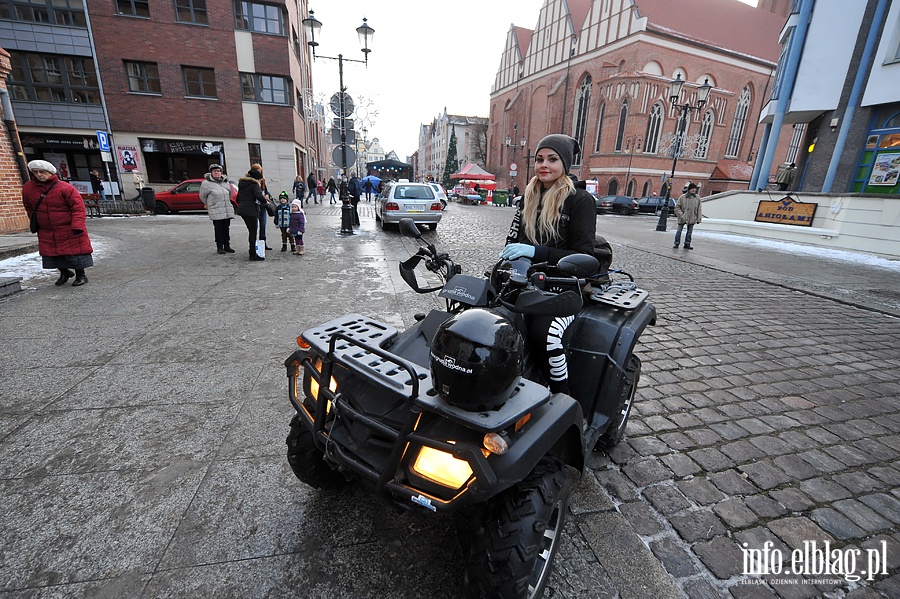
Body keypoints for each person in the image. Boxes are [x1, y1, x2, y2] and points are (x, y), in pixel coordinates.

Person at [500, 134, 601, 395]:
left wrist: (535, 252)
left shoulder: (580, 200)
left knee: (545, 336)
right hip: (525, 283)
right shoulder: (528, 198)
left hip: (564, 287)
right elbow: (513, 243)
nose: (544, 164)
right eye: (539, 159)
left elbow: (584, 255)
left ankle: (562, 397)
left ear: (565, 164)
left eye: (552, 159)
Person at [22, 160, 94, 286]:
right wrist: (35, 221)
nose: (39, 174)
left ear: (50, 172)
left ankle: (81, 275)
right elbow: (29, 207)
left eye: (42, 172)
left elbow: (78, 207)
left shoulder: (65, 188)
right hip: (46, 228)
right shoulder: (28, 188)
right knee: (52, 253)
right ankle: (64, 272)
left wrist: (77, 224)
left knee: (75, 252)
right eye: (35, 172)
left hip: (68, 226)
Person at [199, 164, 235, 255]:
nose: (217, 173)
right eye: (214, 171)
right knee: (218, 228)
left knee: (226, 228)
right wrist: (209, 204)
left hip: (226, 208)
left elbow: (229, 193)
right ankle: (220, 246)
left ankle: (227, 245)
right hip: (215, 209)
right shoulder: (206, 183)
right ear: (211, 172)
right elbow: (202, 196)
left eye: (218, 171)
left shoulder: (225, 182)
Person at [236, 167, 266, 261]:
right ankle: (252, 254)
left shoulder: (242, 184)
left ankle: (252, 251)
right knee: (253, 232)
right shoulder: (254, 184)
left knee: (251, 231)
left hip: (242, 210)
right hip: (251, 210)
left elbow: (237, 199)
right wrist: (265, 201)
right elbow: (259, 196)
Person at [673, 182, 702, 250]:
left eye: (695, 189)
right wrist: (681, 215)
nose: (694, 190)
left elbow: (699, 209)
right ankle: (676, 243)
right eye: (692, 188)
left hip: (692, 217)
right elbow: (677, 207)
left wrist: (698, 219)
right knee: (679, 231)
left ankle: (687, 243)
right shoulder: (682, 197)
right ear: (689, 189)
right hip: (682, 217)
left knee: (689, 232)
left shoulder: (697, 198)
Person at [251, 163, 272, 250]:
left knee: (263, 225)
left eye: (259, 170)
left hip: (262, 207)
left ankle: (263, 243)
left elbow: (267, 191)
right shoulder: (251, 182)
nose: (258, 172)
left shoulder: (262, 181)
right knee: (254, 227)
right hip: (254, 207)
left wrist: (267, 195)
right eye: (256, 170)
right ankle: (254, 244)